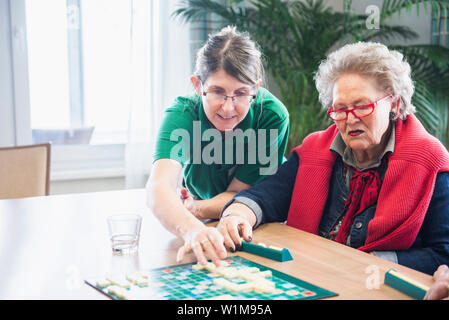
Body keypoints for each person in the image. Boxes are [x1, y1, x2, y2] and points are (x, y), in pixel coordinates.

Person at [216, 42, 449, 275]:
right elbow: (266, 195)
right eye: (340, 109)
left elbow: (443, 254)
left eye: (362, 107)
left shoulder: (431, 163)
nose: (350, 119)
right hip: (313, 275)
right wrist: (237, 214)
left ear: (394, 104)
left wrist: (371, 262)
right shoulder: (314, 149)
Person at [146, 26, 289, 266]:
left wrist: (195, 209)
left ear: (256, 87)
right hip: (205, 227)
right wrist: (191, 228)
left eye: (241, 93)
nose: (228, 107)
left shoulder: (271, 115)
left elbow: (240, 195)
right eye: (217, 92)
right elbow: (158, 187)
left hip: (261, 227)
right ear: (196, 85)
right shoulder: (183, 113)